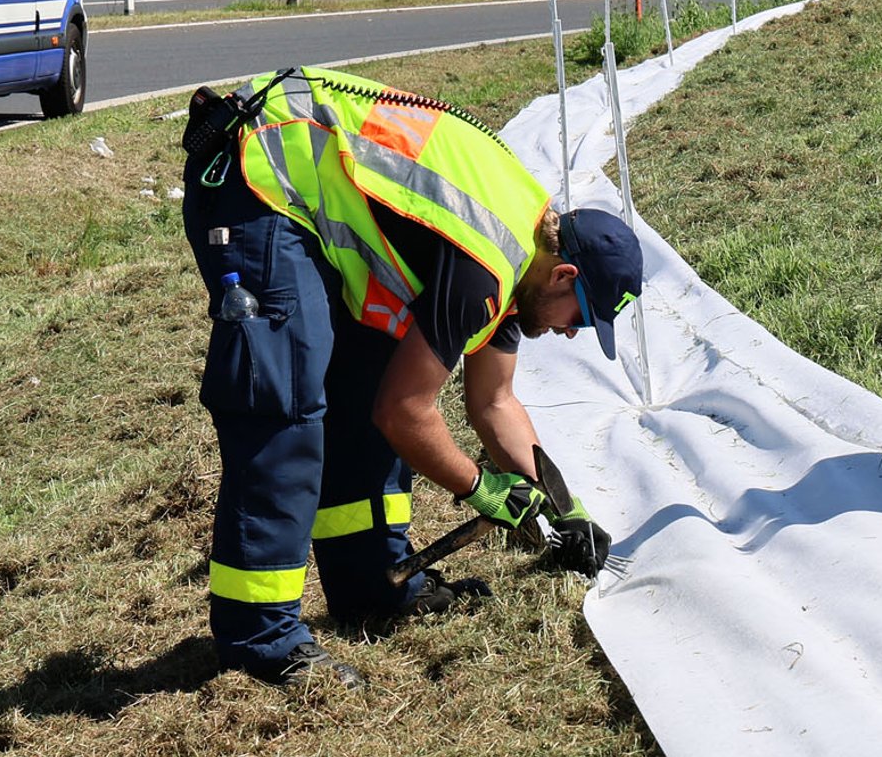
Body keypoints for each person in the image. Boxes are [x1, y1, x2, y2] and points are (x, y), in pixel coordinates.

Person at [179, 66, 642, 686]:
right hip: (258, 175)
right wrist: (482, 489)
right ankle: (258, 639)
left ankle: (372, 585)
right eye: (578, 320)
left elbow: (495, 401)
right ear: (565, 278)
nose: (568, 334)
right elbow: (406, 413)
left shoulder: (523, 260)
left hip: (299, 189)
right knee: (284, 408)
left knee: (362, 386)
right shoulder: (487, 264)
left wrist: (565, 508)